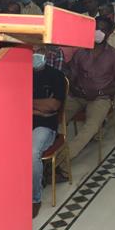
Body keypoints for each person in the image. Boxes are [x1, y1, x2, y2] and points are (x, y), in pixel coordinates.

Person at [60, 18, 115, 173]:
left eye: (102, 30)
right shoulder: (80, 52)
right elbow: (72, 76)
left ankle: (61, 161)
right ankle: (45, 154)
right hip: (78, 95)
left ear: (109, 33)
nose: (98, 32)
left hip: (101, 97)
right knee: (58, 118)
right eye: (96, 28)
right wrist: (75, 89)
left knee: (90, 127)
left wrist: (99, 93)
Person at [32, 51, 66, 218]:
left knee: (32, 153)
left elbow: (52, 106)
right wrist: (38, 109)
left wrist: (26, 102)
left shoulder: (56, 76)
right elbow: (11, 102)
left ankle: (34, 199)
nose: (35, 53)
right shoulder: (19, 73)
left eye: (39, 49)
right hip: (20, 121)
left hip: (45, 126)